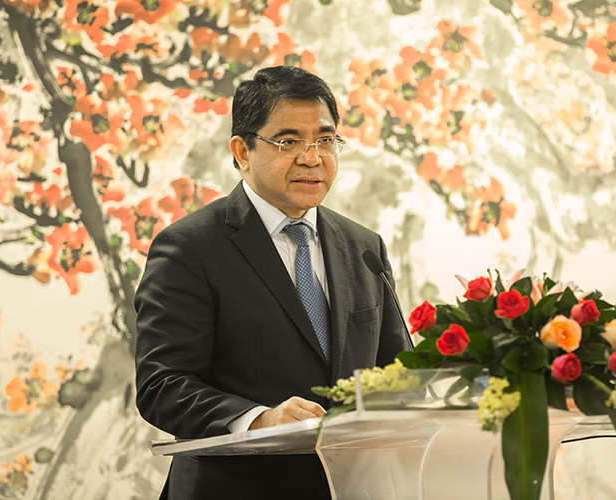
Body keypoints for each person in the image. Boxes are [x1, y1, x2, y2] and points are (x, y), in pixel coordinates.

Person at [134, 66, 412, 499]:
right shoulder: (189, 248)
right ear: (242, 151)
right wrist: (259, 419)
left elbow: (397, 375)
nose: (312, 158)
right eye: (289, 142)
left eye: (325, 140)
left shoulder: (363, 247)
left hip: (349, 488)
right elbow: (162, 385)